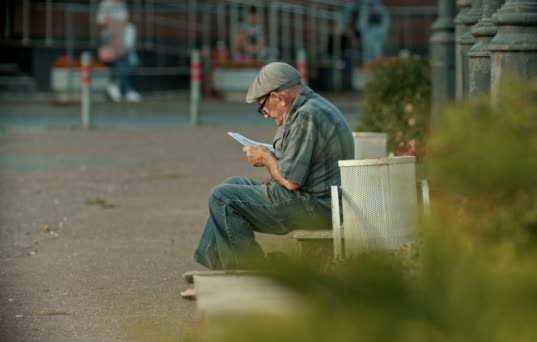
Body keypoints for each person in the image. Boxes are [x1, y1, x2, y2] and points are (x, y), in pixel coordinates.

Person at [180, 62, 354, 299]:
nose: (266, 115)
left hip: (317, 206)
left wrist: (266, 159)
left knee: (223, 198)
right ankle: (220, 272)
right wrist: (273, 159)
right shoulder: (310, 107)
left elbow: (292, 181)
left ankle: (247, 278)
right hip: (318, 198)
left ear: (278, 98)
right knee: (232, 184)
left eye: (263, 107)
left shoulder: (307, 116)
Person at [97, 0, 141, 103]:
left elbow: (126, 20)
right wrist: (115, 25)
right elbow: (101, 22)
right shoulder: (106, 4)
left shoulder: (122, 4)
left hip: (123, 37)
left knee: (130, 62)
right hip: (111, 37)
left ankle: (117, 85)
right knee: (120, 62)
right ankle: (125, 89)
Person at [356, 0, 390, 64]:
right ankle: (368, 68)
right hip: (367, 31)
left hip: (377, 31)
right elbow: (361, 22)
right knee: (367, 53)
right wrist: (361, 31)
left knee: (377, 52)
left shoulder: (379, 6)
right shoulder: (364, 7)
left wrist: (383, 31)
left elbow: (385, 20)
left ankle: (377, 67)